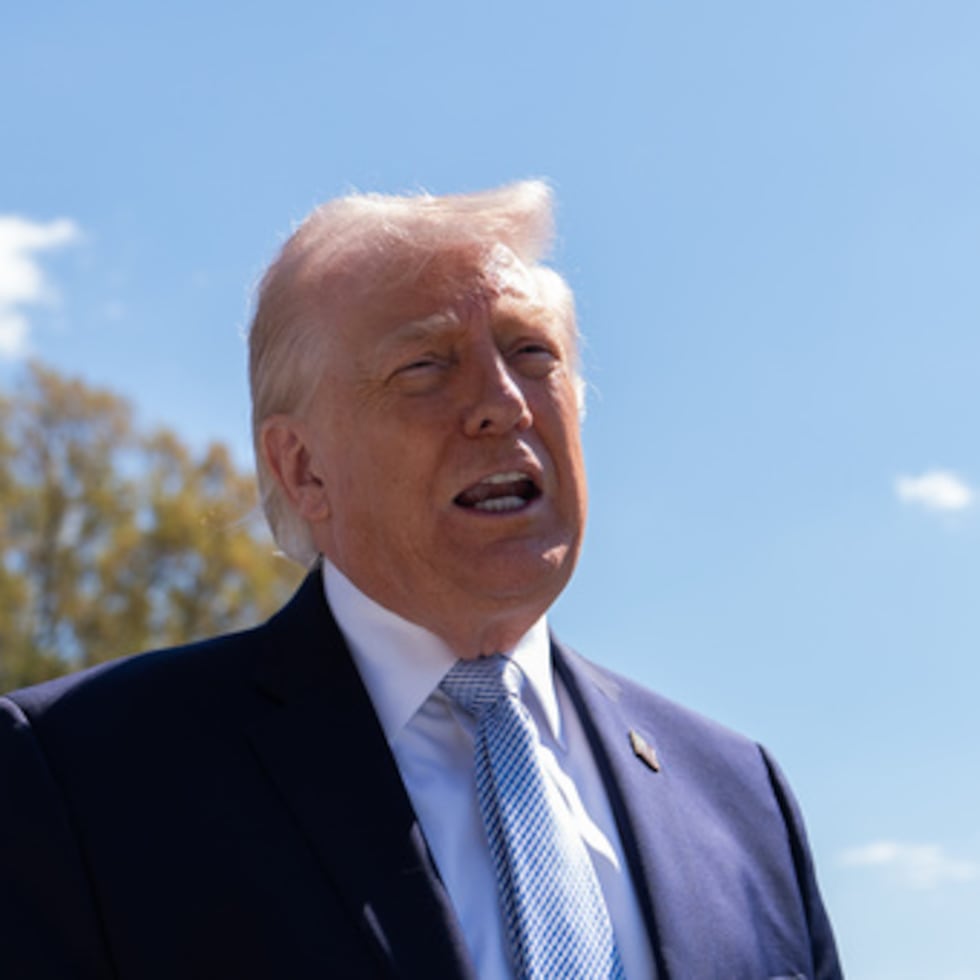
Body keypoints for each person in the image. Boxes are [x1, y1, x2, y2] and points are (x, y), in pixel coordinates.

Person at [0, 181, 843, 979]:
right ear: (302, 470)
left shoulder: (742, 798)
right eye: (425, 367)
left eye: (532, 352)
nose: (504, 403)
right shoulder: (81, 779)